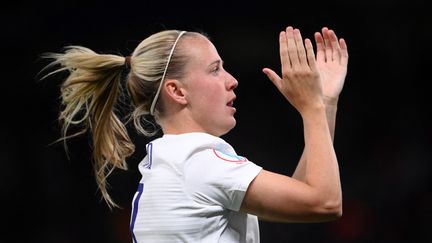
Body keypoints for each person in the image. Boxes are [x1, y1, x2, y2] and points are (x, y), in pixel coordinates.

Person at [42, 25, 348, 242]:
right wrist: (311, 107)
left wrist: (325, 105)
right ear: (177, 91)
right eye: (215, 69)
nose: (232, 80)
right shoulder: (197, 161)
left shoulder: (172, 162)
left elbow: (303, 197)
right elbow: (324, 202)